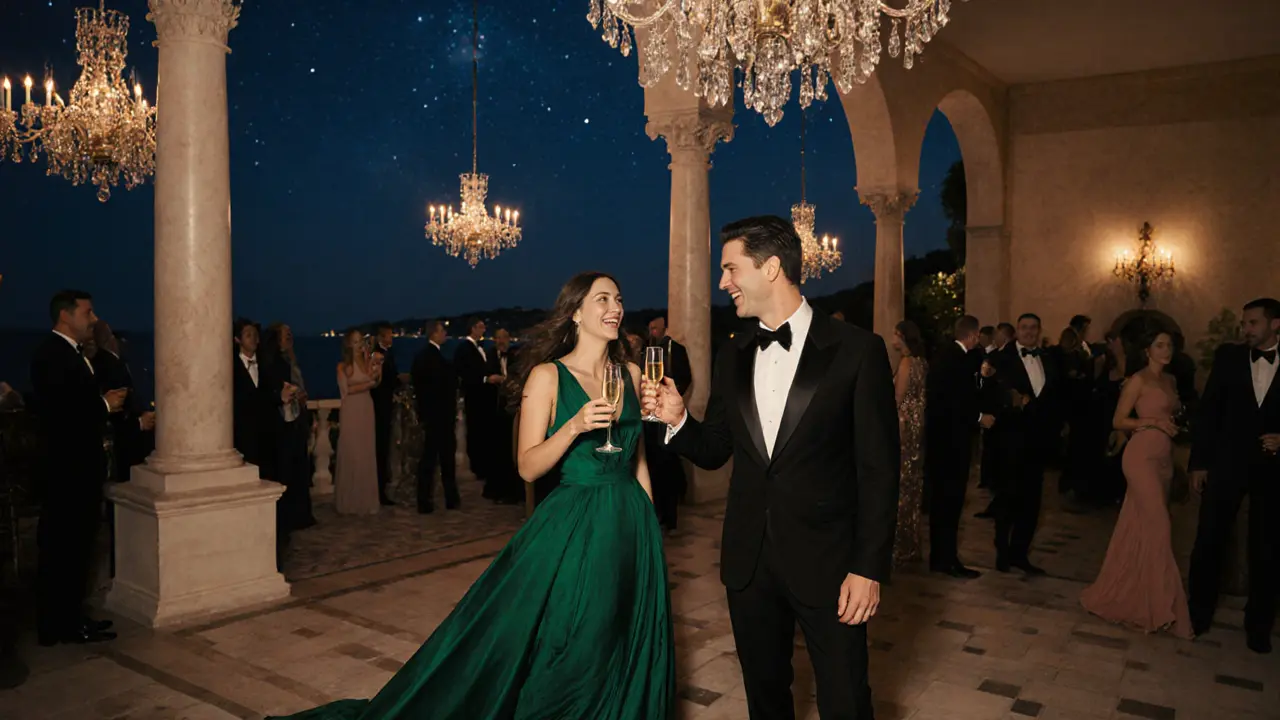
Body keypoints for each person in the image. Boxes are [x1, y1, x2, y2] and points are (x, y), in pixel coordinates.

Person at [268, 272, 673, 719]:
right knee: (580, 639)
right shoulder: (548, 377)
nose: (615, 307)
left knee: (626, 635)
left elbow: (637, 459)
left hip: (631, 521)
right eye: (602, 299)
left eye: (618, 299)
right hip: (579, 525)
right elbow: (527, 466)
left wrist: (649, 524)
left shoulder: (631, 374)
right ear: (575, 312)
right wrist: (574, 426)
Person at [645, 215, 899, 719]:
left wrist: (868, 568)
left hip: (831, 565)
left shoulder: (857, 350)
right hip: (749, 563)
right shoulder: (733, 353)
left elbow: (879, 471)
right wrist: (679, 421)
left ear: (772, 268)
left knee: (847, 700)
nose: (723, 282)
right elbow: (716, 448)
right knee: (765, 700)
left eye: (731, 269)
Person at [1080, 319, 1193, 639]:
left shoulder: (1170, 380)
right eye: (1160, 345)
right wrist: (1154, 422)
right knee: (1160, 527)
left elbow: (1173, 415)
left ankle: (1134, 595)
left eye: (1170, 346)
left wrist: (1175, 423)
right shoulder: (1137, 380)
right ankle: (1167, 609)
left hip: (1164, 458)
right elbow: (1119, 421)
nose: (1166, 351)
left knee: (1141, 526)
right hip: (1140, 458)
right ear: (1147, 350)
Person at [1188, 297, 1280, 654]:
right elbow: (1208, 411)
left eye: (1253, 322)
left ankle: (1258, 626)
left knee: (1267, 547)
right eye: (1244, 323)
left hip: (1273, 469)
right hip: (1226, 463)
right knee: (1210, 539)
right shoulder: (1229, 357)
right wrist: (1199, 463)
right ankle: (1198, 614)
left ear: (1275, 324)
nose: (1246, 329)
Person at [30, 290, 122, 645]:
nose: (94, 319)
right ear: (66, 316)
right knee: (63, 547)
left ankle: (70, 617)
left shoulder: (72, 354)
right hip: (66, 471)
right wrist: (104, 405)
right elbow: (62, 411)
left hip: (77, 470)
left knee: (77, 546)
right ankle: (60, 623)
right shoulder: (52, 355)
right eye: (88, 312)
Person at [985, 312, 1061, 574]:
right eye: (1024, 327)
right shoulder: (1000, 359)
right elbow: (988, 394)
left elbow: (1055, 397)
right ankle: (1002, 552)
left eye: (1033, 328)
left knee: (1032, 501)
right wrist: (1011, 401)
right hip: (1009, 441)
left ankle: (1020, 553)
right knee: (1008, 497)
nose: (1029, 332)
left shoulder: (1048, 359)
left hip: (1038, 442)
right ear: (1017, 331)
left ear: (1039, 331)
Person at [925, 314, 992, 579]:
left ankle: (941, 557)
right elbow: (954, 401)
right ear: (973, 335)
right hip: (950, 443)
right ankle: (946, 559)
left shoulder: (950, 355)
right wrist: (979, 417)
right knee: (949, 502)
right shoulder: (953, 359)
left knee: (945, 502)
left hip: (945, 442)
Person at [411, 320, 460, 513]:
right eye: (442, 330)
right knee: (443, 459)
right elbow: (446, 387)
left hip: (430, 416)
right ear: (434, 334)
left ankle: (425, 499)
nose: (445, 333)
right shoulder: (437, 360)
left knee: (429, 459)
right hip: (441, 416)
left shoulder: (422, 357)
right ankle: (449, 498)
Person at [891, 319, 927, 566]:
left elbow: (897, 397)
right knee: (911, 483)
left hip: (903, 427)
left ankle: (899, 545)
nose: (893, 339)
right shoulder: (921, 362)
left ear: (903, 336)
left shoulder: (906, 363)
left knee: (901, 484)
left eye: (895, 334)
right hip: (917, 426)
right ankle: (910, 542)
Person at [334, 329, 382, 516]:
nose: (359, 344)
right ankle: (350, 500)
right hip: (352, 409)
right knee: (352, 451)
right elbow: (346, 390)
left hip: (366, 408)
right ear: (348, 344)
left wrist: (377, 368)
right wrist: (367, 384)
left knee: (366, 451)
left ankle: (365, 500)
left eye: (361, 340)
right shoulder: (343, 366)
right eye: (355, 341)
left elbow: (376, 380)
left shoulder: (367, 361)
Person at [370, 323, 401, 506]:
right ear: (382, 337)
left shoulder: (389, 353)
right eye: (390, 335)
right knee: (380, 446)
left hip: (385, 405)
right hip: (379, 407)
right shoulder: (377, 355)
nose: (392, 338)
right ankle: (379, 489)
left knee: (384, 446)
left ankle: (382, 485)